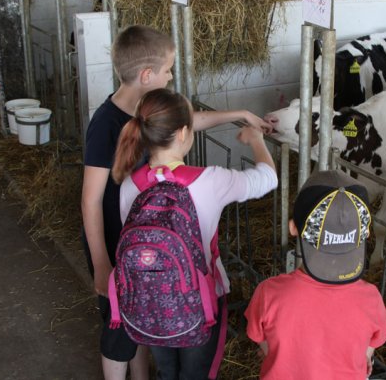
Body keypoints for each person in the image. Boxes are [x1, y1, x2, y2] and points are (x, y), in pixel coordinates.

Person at [81, 24, 274, 380]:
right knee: (118, 331)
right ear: (147, 75)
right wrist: (100, 263)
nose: (171, 76)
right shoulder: (107, 125)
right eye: (169, 70)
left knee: (142, 319)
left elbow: (184, 121)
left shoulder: (139, 143)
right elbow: (90, 200)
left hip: (143, 252)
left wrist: (237, 114)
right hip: (118, 247)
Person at [112, 88, 278, 379]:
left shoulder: (129, 186)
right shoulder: (210, 180)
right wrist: (256, 140)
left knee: (166, 370)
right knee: (196, 374)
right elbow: (268, 178)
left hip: (149, 303)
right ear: (183, 133)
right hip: (201, 303)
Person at [245, 170, 386, 380]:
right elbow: (368, 351)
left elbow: (263, 342)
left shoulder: (269, 293)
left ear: (293, 228)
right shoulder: (371, 299)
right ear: (364, 233)